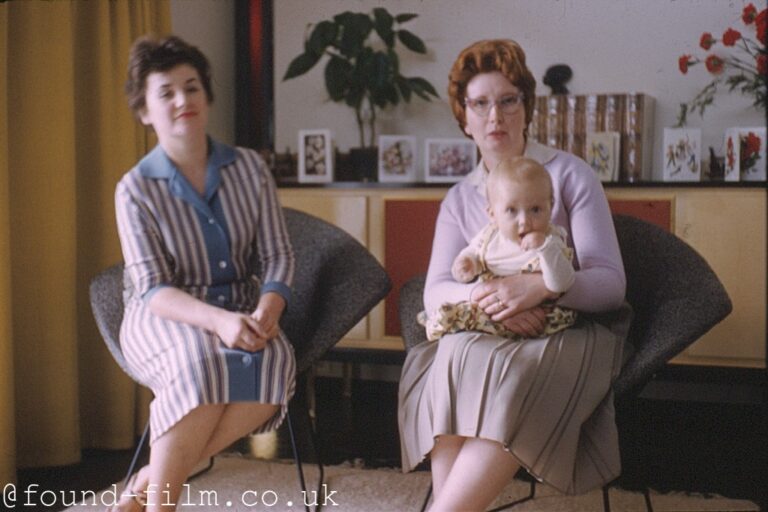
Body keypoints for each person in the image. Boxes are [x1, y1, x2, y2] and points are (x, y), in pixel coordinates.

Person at [398, 39, 629, 511]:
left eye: (508, 101)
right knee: (450, 355)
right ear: (464, 118)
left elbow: (610, 284)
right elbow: (436, 291)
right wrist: (497, 301)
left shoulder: (570, 175)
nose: (494, 117)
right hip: (489, 330)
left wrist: (538, 288)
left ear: (527, 108)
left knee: (512, 374)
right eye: (479, 104)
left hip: (568, 330)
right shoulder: (460, 198)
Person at [113, 35, 295, 511]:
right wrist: (218, 323)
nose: (182, 101)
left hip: (240, 305)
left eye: (191, 87)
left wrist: (269, 306)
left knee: (276, 361)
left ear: (207, 95)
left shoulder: (250, 169)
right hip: (163, 315)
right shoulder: (134, 189)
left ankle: (148, 481)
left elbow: (278, 254)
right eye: (166, 92)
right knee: (200, 364)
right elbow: (152, 287)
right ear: (144, 111)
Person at [418, 156, 577, 342]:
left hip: (540, 318)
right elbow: (471, 255)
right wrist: (466, 265)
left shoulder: (551, 240)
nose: (524, 221)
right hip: (492, 313)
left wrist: (544, 248)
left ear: (550, 207)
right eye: (511, 210)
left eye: (535, 209)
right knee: (452, 318)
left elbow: (562, 283)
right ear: (492, 214)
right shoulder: (488, 237)